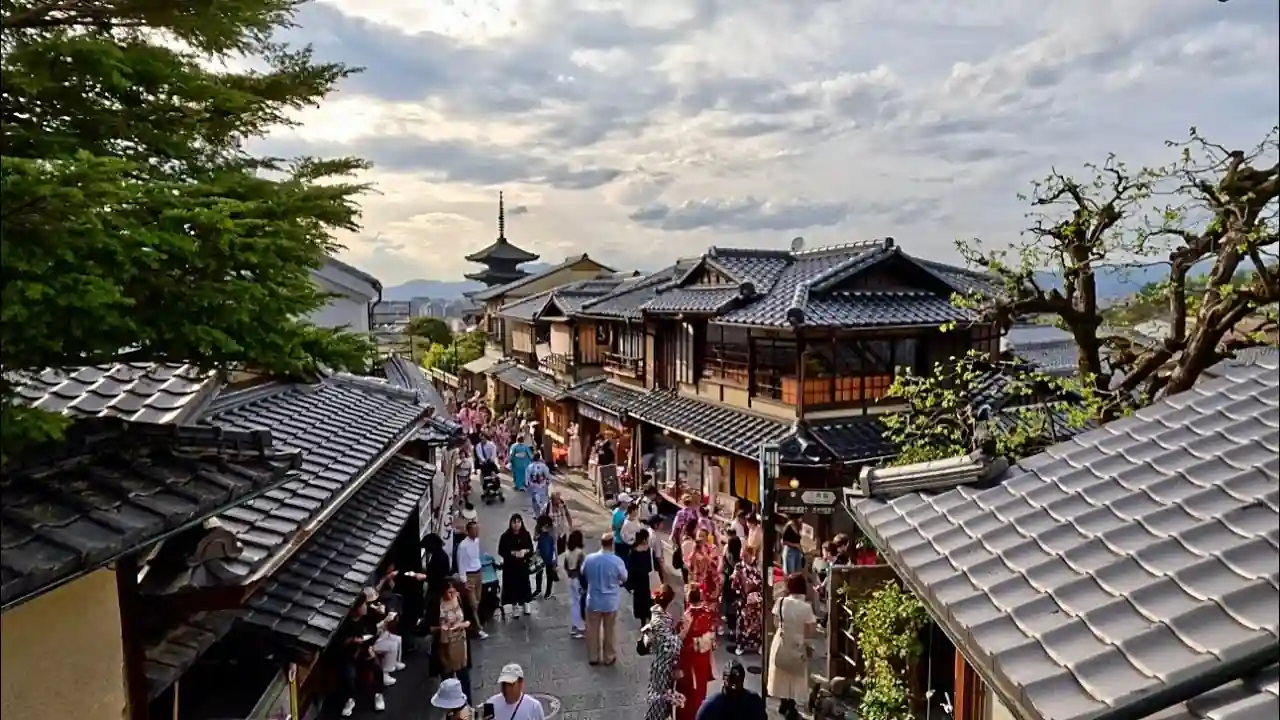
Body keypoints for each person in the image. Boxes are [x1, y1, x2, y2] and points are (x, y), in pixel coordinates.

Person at [767, 573, 818, 720]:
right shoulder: (806, 608)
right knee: (795, 675)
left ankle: (783, 702)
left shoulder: (781, 602)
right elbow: (812, 630)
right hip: (798, 643)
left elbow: (776, 622)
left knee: (781, 672)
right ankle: (792, 705)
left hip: (781, 640)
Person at [333, 594, 386, 716]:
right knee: (349, 676)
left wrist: (370, 647)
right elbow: (339, 644)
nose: (365, 607)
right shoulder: (345, 624)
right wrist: (351, 641)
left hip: (365, 650)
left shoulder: (367, 618)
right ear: (356, 608)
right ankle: (349, 700)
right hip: (349, 655)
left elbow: (373, 633)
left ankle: (378, 694)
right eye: (363, 605)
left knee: (377, 667)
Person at [582, 533, 628, 665]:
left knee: (592, 630)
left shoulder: (590, 559)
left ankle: (593, 656)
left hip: (593, 600)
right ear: (612, 544)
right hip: (610, 602)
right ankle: (609, 656)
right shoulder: (617, 561)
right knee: (609, 630)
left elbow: (583, 572)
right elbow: (624, 577)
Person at [640, 585, 683, 720]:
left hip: (660, 661)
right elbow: (671, 646)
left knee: (662, 693)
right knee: (660, 695)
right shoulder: (660, 621)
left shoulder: (659, 618)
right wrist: (681, 635)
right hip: (663, 664)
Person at [676, 584, 718, 720]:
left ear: (688, 599)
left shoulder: (687, 617)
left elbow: (681, 639)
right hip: (704, 656)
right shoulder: (708, 613)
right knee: (701, 686)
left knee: (690, 689)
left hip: (690, 658)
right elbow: (712, 633)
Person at [428, 581, 475, 703]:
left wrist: (462, 624)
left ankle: (468, 705)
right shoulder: (435, 604)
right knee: (447, 680)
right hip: (444, 646)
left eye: (453, 592)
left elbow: (470, 620)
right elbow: (428, 627)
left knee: (464, 678)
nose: (452, 594)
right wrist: (440, 628)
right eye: (449, 592)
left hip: (460, 643)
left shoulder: (460, 599)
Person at [361, 587, 405, 686]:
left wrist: (385, 615)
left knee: (397, 639)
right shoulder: (365, 616)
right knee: (391, 645)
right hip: (370, 642)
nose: (376, 604)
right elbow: (372, 631)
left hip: (379, 635)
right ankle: (385, 672)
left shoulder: (377, 608)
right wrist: (384, 620)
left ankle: (395, 662)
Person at [455, 520, 490, 639]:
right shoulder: (463, 546)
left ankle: (475, 623)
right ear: (468, 531)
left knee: (478, 600)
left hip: (478, 572)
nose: (477, 532)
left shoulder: (477, 541)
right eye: (474, 530)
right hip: (469, 575)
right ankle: (478, 628)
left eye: (477, 529)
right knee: (473, 603)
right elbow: (461, 563)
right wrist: (464, 581)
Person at [695, 661, 766, 720]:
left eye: (737, 682)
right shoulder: (710, 706)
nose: (733, 687)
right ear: (724, 679)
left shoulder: (754, 702)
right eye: (731, 681)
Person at [498, 514, 536, 616]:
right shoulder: (505, 536)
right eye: (514, 522)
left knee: (524, 586)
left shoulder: (526, 534)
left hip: (522, 566)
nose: (516, 525)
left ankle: (526, 604)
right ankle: (515, 607)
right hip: (510, 567)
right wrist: (512, 553)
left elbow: (531, 550)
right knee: (512, 587)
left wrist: (525, 552)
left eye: (518, 522)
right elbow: (501, 551)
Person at [730, 545, 763, 656]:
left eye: (746, 555)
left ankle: (758, 644)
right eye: (742, 555)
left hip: (753, 600)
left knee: (756, 623)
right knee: (741, 623)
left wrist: (747, 582)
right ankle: (741, 645)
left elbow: (757, 583)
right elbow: (734, 583)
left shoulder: (755, 568)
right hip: (742, 600)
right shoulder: (738, 567)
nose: (744, 558)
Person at [626, 528, 660, 622]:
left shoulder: (632, 553)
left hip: (638, 586)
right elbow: (656, 567)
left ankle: (643, 625)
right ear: (645, 539)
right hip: (649, 584)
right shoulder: (650, 552)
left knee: (641, 609)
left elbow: (630, 570)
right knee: (651, 607)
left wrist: (630, 586)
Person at [561, 529, 587, 638]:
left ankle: (574, 626)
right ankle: (580, 627)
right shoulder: (580, 553)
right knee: (580, 603)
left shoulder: (567, 553)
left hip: (571, 579)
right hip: (579, 580)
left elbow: (566, 567)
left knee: (573, 603)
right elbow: (583, 568)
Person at [719, 531, 742, 641]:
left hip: (728, 583)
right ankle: (738, 630)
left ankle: (731, 630)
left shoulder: (727, 557)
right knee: (737, 605)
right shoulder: (740, 560)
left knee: (728, 605)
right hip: (739, 584)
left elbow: (722, 569)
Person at [533, 515, 558, 599]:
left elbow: (555, 544)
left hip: (550, 554)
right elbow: (534, 538)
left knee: (549, 574)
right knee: (538, 573)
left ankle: (548, 591)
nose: (545, 527)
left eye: (546, 526)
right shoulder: (538, 528)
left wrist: (556, 559)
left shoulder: (552, 529)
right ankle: (538, 589)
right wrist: (540, 533)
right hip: (540, 554)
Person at [526, 450, 552, 517]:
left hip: (533, 485)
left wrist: (527, 484)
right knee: (543, 499)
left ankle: (536, 514)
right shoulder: (543, 466)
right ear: (539, 457)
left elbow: (527, 476)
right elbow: (547, 475)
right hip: (542, 485)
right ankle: (542, 512)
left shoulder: (530, 466)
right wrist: (548, 481)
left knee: (534, 500)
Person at [611, 493, 633, 561]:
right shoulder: (617, 513)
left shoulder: (625, 511)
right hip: (620, 542)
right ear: (622, 503)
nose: (628, 504)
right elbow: (615, 527)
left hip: (625, 540)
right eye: (626, 503)